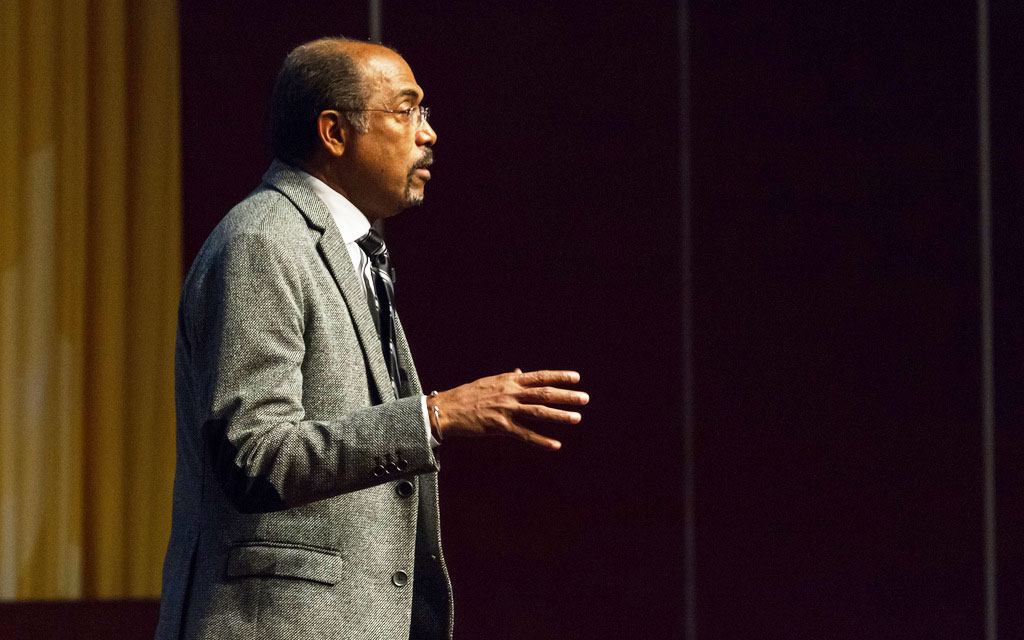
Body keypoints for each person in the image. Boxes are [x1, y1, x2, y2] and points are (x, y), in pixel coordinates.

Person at [155, 36, 588, 640]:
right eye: (407, 111)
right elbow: (256, 456)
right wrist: (434, 417)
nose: (428, 133)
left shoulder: (350, 249)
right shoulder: (263, 241)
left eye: (425, 113)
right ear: (334, 133)